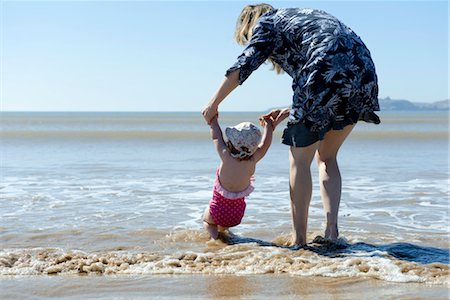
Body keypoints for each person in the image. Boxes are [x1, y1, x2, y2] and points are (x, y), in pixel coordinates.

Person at [202, 4, 381, 246]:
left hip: (323, 72)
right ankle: (332, 233)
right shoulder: (300, 15)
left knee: (300, 160)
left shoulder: (267, 23)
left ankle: (299, 241)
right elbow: (323, 56)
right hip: (363, 71)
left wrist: (213, 104)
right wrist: (292, 109)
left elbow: (243, 65)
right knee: (327, 157)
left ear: (249, 24)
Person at [203, 115, 274, 239]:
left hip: (217, 211)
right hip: (236, 215)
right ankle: (225, 233)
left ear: (231, 142)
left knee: (208, 222)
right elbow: (265, 145)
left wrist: (213, 120)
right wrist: (268, 126)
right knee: (225, 222)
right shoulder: (252, 160)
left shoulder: (226, 156)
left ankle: (214, 239)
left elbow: (216, 137)